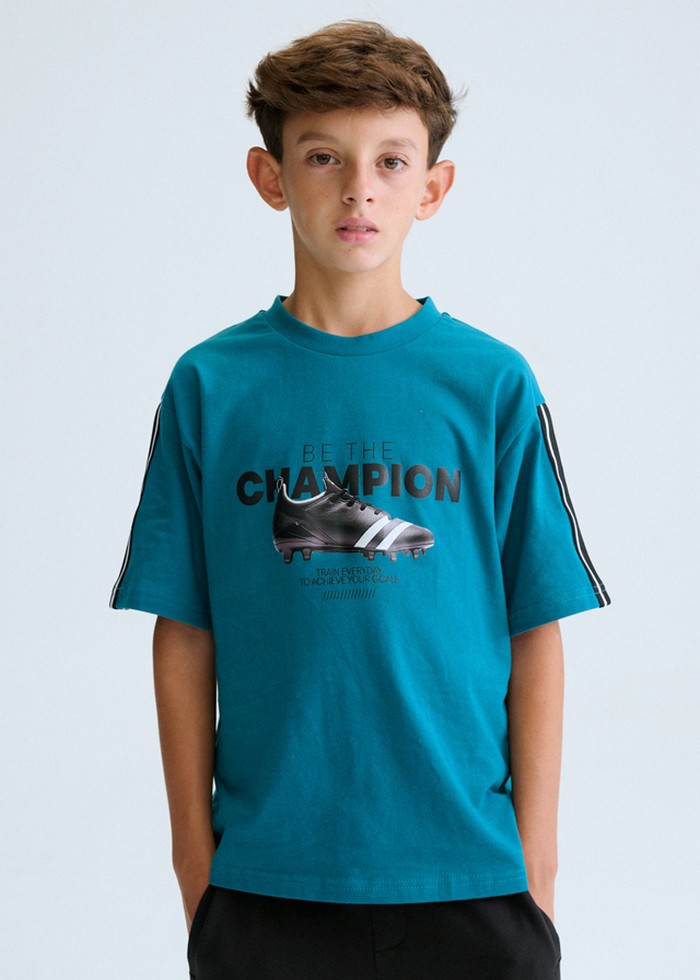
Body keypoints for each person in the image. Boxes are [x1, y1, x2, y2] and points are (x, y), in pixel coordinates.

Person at [110, 20, 610, 980]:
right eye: (323, 157)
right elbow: (184, 632)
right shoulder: (210, 386)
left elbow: (535, 626)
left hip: (472, 877)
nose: (358, 189)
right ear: (269, 177)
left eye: (390, 161)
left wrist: (536, 871)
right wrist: (195, 867)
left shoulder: (491, 383)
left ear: (433, 187)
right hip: (267, 882)